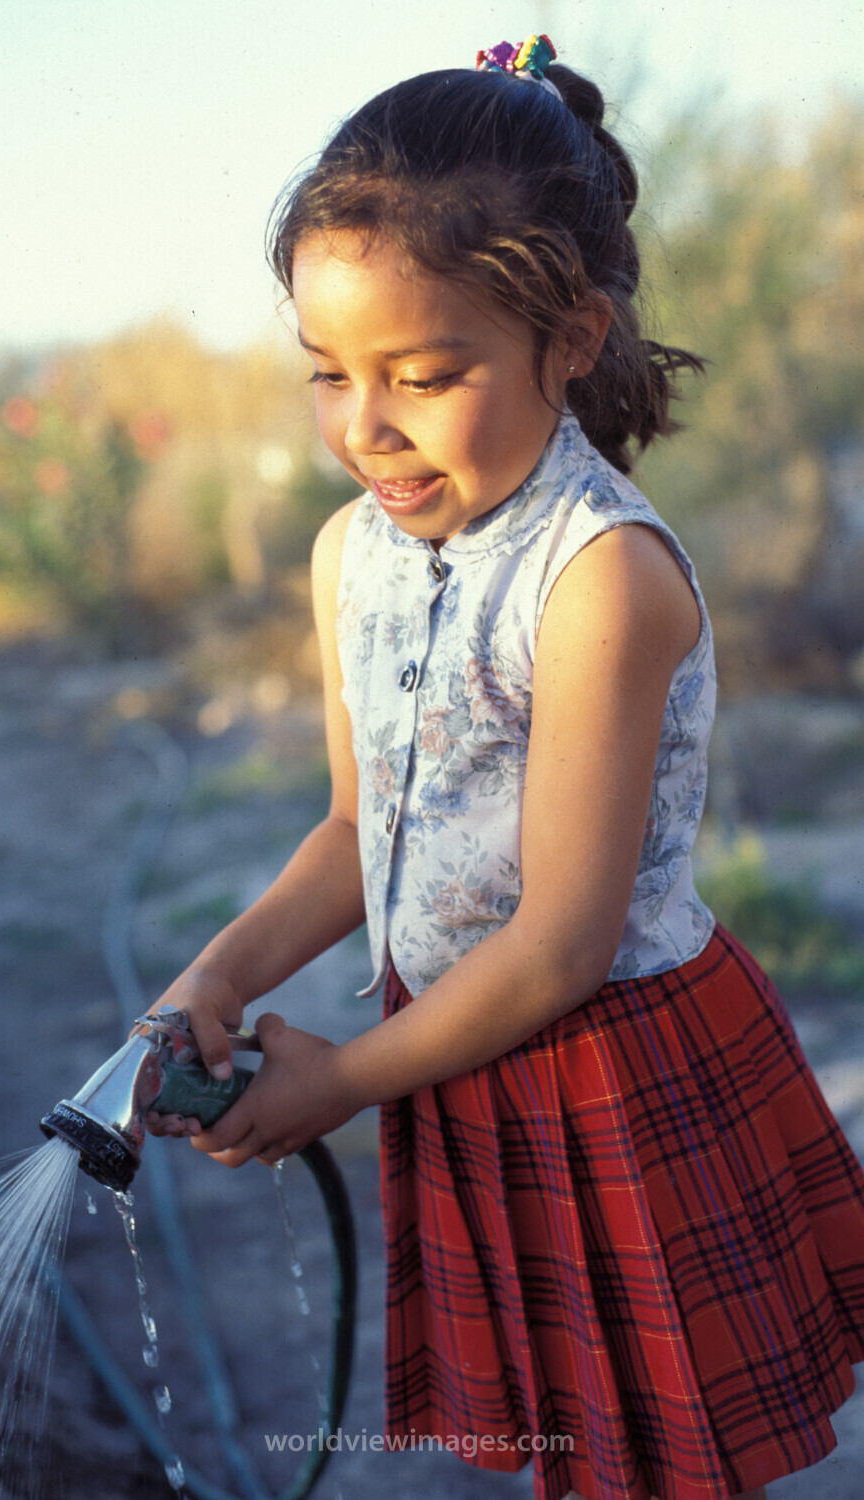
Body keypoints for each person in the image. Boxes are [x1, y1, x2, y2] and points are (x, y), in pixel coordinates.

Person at [144, 35, 864, 1500]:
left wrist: (340, 1081)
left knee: (655, 1456)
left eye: (426, 374)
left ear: (573, 336)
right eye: (329, 374)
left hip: (607, 1072)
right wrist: (217, 976)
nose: (367, 427)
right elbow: (359, 832)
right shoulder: (348, 558)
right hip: (454, 1056)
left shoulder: (601, 578)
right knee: (569, 1445)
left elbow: (560, 943)